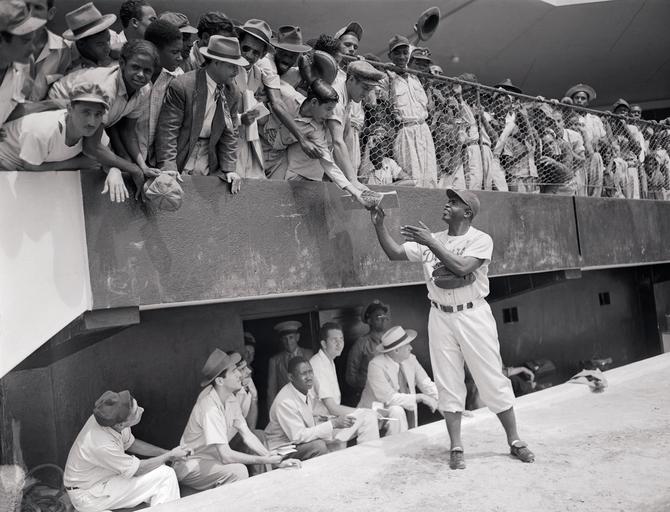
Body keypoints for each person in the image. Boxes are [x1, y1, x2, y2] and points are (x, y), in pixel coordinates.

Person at [370, 188, 535, 469]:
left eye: (454, 202)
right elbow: (395, 252)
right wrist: (378, 224)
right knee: (447, 381)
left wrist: (431, 243)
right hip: (440, 313)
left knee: (491, 377)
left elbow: (461, 267)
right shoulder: (433, 238)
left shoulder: (480, 239)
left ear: (467, 212)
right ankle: (456, 446)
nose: (448, 204)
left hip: (472, 313)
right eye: (449, 200)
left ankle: (515, 440)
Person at [174, 349, 296, 490]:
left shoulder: (230, 398)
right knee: (239, 471)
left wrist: (272, 457)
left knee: (254, 447)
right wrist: (263, 459)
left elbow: (247, 434)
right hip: (192, 464)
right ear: (220, 381)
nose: (240, 374)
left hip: (213, 460)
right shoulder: (209, 407)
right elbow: (226, 455)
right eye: (234, 371)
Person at [0, 83, 141, 202]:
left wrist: (114, 171)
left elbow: (106, 156)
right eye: (85, 112)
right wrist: (77, 163)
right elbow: (30, 167)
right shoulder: (43, 130)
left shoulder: (92, 130)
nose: (92, 122)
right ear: (69, 109)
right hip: (6, 164)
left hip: (24, 171)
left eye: (98, 114)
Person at [49, 40, 158, 183]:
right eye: (135, 67)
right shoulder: (106, 89)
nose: (141, 74)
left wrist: (143, 167)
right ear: (122, 64)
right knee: (92, 161)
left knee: (107, 162)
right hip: (57, 111)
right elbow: (92, 147)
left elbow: (128, 131)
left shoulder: (144, 90)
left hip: (85, 120)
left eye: (147, 70)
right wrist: (133, 168)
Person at [63, 390, 187, 512]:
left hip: (103, 481)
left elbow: (131, 444)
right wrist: (169, 455)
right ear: (121, 425)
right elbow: (138, 470)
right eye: (136, 412)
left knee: (163, 474)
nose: (142, 410)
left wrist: (165, 453)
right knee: (165, 476)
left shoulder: (111, 418)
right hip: (88, 493)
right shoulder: (101, 444)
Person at [155, 35, 244, 192]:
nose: (237, 71)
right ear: (216, 62)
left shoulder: (233, 92)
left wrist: (229, 168)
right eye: (232, 66)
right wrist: (168, 165)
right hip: (182, 151)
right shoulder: (183, 85)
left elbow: (230, 132)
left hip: (208, 156)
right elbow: (168, 129)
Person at [282, 78, 379, 208]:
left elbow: (328, 163)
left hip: (279, 158)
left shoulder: (316, 130)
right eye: (328, 109)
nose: (330, 115)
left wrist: (353, 190)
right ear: (314, 102)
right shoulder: (288, 96)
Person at [265, 356, 355, 460]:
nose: (309, 377)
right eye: (303, 373)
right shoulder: (285, 401)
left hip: (296, 443)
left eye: (310, 372)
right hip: (283, 449)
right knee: (319, 446)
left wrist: (333, 423)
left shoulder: (302, 390)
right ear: (290, 377)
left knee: (339, 435)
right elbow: (298, 436)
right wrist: (333, 424)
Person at [309, 322, 380, 447]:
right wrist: (363, 411)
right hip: (321, 424)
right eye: (334, 340)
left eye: (341, 339)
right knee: (368, 417)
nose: (339, 344)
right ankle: (370, 458)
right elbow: (332, 407)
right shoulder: (318, 364)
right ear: (324, 344)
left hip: (332, 420)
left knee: (368, 415)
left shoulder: (328, 361)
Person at [358, 325, 438, 434]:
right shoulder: (376, 365)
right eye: (407, 345)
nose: (411, 348)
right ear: (396, 350)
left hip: (400, 415)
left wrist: (450, 407)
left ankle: (404, 445)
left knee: (398, 411)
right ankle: (396, 447)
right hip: (376, 413)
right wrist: (420, 397)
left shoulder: (411, 359)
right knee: (397, 410)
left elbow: (427, 384)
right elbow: (389, 398)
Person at [382, 35, 437, 188]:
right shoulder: (386, 78)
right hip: (405, 130)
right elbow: (388, 109)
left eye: (405, 53)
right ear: (390, 56)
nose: (401, 57)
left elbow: (427, 106)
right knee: (413, 178)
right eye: (397, 53)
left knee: (430, 176)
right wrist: (392, 81)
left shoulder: (415, 77)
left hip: (423, 129)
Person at [327, 59, 383, 189]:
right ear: (351, 79)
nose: (366, 94)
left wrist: (351, 176)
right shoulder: (337, 98)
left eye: (370, 90)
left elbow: (347, 135)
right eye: (364, 88)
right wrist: (352, 180)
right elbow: (338, 141)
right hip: (307, 161)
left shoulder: (348, 98)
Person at [138, 19, 184, 162]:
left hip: (159, 159)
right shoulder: (134, 78)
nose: (180, 58)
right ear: (155, 50)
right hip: (130, 156)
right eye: (174, 52)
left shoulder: (177, 78)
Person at [0, 0, 47, 126]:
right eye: (25, 41)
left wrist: (54, 105)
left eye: (33, 40)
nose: (33, 48)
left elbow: (14, 107)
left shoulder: (22, 67)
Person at [564, 83, 607, 196]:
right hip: (576, 158)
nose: (579, 100)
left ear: (587, 102)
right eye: (576, 98)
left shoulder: (594, 119)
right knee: (580, 190)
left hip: (592, 157)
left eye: (583, 98)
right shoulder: (568, 118)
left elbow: (605, 139)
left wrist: (598, 140)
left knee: (594, 188)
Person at [24, 0, 71, 101]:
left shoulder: (62, 49)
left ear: (50, 13)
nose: (29, 14)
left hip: (43, 115)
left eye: (37, 8)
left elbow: (62, 95)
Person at [333, 21, 365, 172]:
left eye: (355, 47)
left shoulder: (355, 74)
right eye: (347, 45)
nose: (352, 49)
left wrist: (364, 71)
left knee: (352, 169)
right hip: (334, 128)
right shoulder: (330, 71)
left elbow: (371, 101)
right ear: (336, 45)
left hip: (353, 130)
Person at [345, 300, 391, 402]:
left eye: (384, 317)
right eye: (379, 317)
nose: (383, 320)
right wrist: (370, 384)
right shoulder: (361, 344)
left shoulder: (391, 340)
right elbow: (351, 377)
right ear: (370, 321)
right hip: (371, 397)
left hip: (391, 393)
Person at [266, 320, 313, 406]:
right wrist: (271, 413)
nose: (288, 342)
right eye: (285, 339)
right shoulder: (275, 360)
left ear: (297, 337)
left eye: (291, 337)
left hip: (308, 402)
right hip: (287, 405)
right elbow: (271, 390)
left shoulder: (309, 354)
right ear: (281, 340)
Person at [62, 3, 115, 72]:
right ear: (81, 44)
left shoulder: (113, 36)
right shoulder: (62, 57)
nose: (108, 48)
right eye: (100, 44)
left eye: (108, 40)